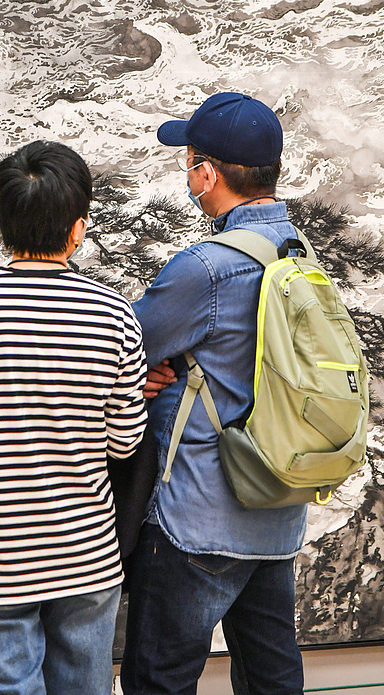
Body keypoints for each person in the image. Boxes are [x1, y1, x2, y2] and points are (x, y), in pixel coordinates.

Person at [0, 140, 147, 695]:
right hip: (86, 558)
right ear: (78, 227)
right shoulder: (114, 315)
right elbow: (126, 442)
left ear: (2, 218)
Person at [121, 92, 307, 695]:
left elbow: (117, 348)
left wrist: (137, 373)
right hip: (277, 509)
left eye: (189, 163)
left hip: (199, 517)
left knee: (161, 681)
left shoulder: (204, 268)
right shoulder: (301, 256)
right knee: (272, 679)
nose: (188, 176)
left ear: (207, 174)